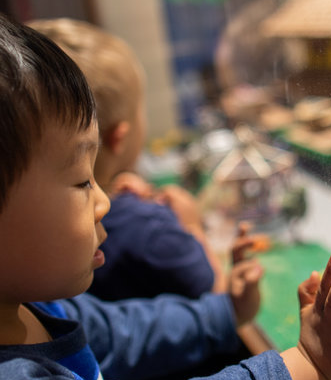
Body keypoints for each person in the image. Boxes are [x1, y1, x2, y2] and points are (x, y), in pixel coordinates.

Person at [0, 14, 331, 380]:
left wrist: (223, 313)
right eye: (83, 180)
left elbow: (126, 331)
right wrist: (306, 364)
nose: (104, 199)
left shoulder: (37, 308)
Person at [27, 18, 228, 299]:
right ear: (118, 137)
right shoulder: (149, 226)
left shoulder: (44, 232)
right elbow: (218, 297)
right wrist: (191, 225)